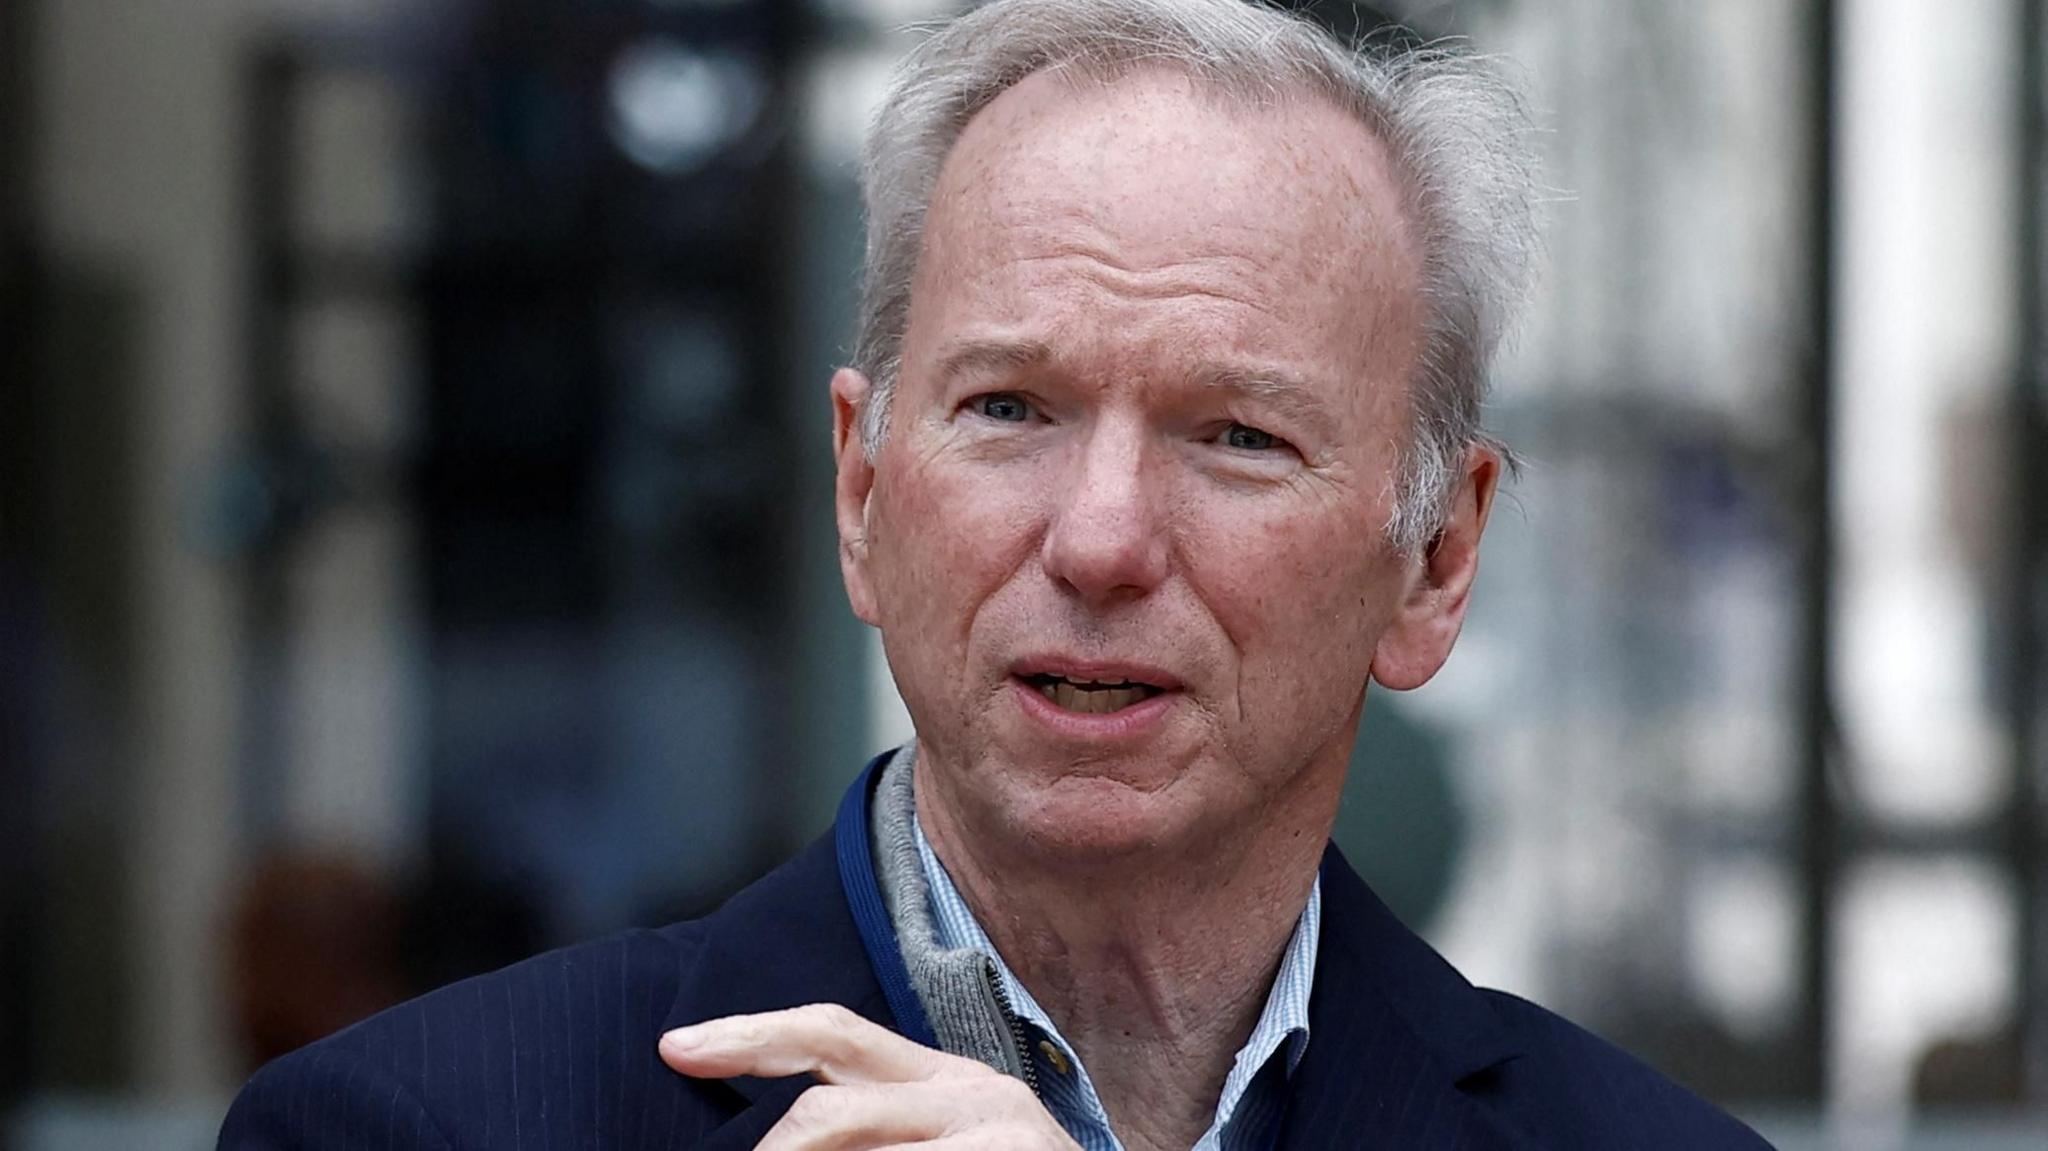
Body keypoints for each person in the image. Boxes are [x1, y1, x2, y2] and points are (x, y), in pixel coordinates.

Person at [219, 0, 1774, 1147]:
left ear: (1436, 560)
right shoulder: (414, 1131)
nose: (1098, 540)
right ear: (862, 489)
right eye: (1010, 409)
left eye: (1235, 435)